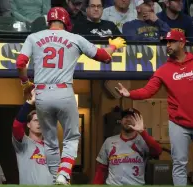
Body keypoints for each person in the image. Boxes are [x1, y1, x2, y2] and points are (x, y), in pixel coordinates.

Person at [15, 7, 126, 185]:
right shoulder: (75, 38)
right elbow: (104, 56)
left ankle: (54, 177)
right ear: (66, 22)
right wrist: (113, 45)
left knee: (50, 141)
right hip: (64, 91)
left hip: (42, 92)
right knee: (71, 137)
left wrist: (24, 83)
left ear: (48, 22)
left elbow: (20, 62)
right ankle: (63, 174)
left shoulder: (33, 37)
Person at [115, 29, 193, 186]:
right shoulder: (163, 70)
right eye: (166, 42)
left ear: (182, 43)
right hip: (178, 123)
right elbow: (148, 90)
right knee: (179, 164)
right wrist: (129, 94)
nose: (168, 45)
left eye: (171, 42)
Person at [93, 108, 162, 185]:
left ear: (138, 121)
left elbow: (158, 151)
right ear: (121, 121)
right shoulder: (109, 141)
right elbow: (101, 169)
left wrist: (142, 132)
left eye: (132, 117)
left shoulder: (144, 140)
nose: (128, 119)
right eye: (125, 117)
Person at [12, 89, 53, 185]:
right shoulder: (23, 143)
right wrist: (30, 102)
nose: (39, 123)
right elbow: (17, 125)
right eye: (35, 120)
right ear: (28, 125)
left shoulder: (51, 147)